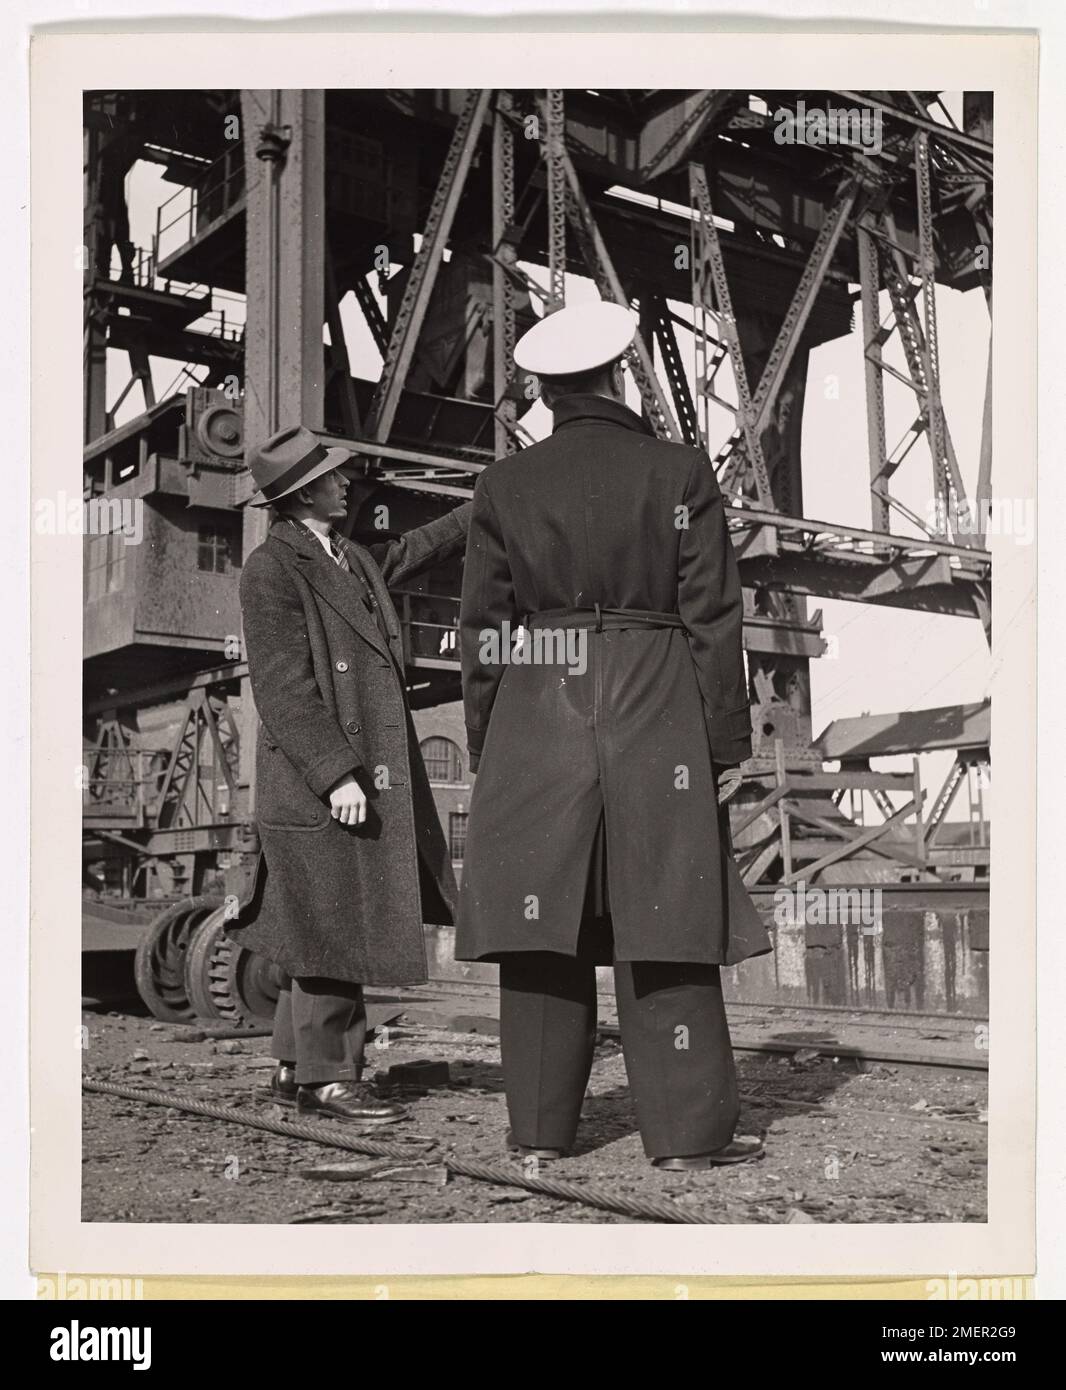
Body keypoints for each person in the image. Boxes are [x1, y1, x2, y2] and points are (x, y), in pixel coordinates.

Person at [456, 301, 772, 1169]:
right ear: (618, 374)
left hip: (538, 705)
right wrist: (721, 745)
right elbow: (713, 617)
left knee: (539, 927)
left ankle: (539, 1135)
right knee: (665, 916)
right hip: (656, 698)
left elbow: (484, 631)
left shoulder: (503, 486)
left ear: (546, 392)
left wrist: (491, 743)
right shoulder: (678, 472)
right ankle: (684, 1141)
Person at [233, 424, 470, 1123]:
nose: (348, 482)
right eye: (334, 476)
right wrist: (337, 773)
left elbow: (413, 552)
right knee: (335, 926)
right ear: (303, 491)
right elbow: (281, 687)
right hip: (320, 780)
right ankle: (330, 1079)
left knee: (318, 923)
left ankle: (291, 1068)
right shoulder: (271, 569)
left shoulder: (349, 558)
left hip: (344, 775)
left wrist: (481, 505)